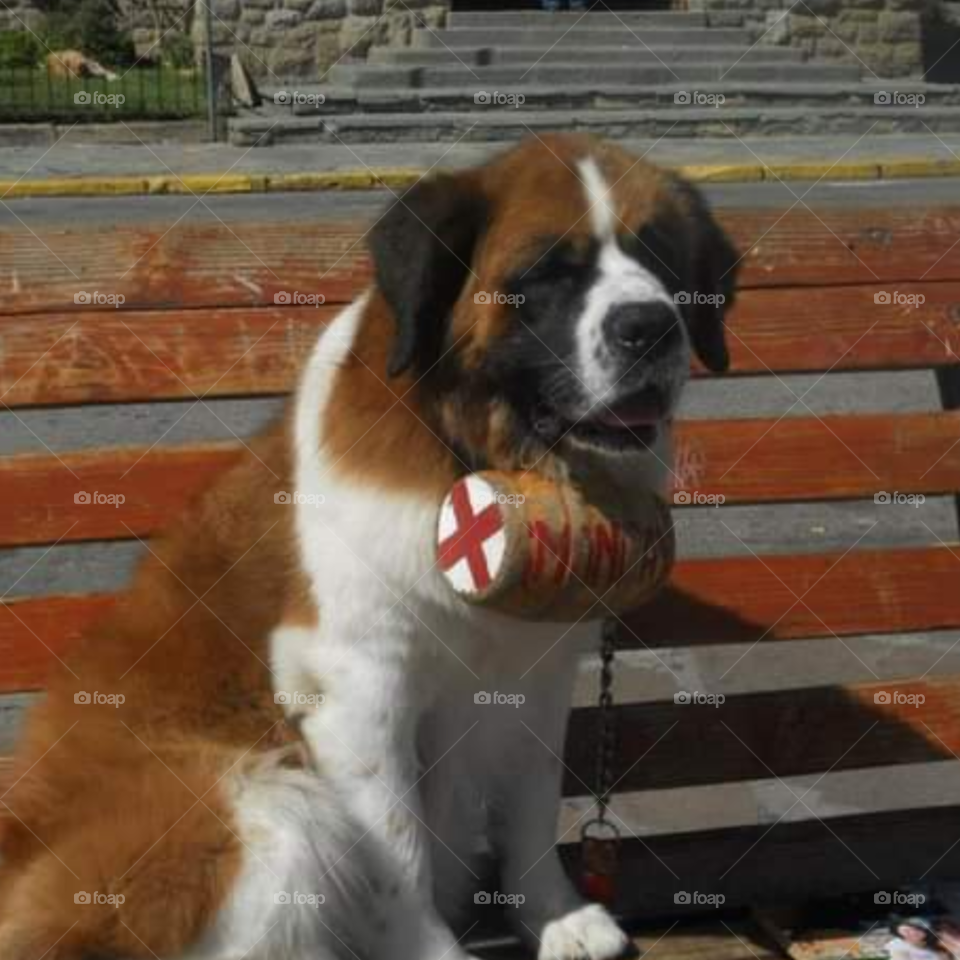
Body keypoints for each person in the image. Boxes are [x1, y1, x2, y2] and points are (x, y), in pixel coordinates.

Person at [888, 919, 958, 960]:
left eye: (913, 927)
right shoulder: (898, 948)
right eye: (907, 932)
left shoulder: (935, 937)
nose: (913, 931)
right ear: (905, 939)